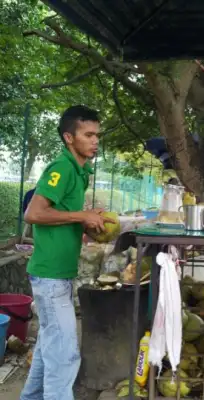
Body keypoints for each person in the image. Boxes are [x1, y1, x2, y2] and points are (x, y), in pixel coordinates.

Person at [20, 105, 114, 400]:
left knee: (50, 347)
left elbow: (61, 214)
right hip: (49, 275)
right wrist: (80, 217)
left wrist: (88, 223)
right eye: (88, 134)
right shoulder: (61, 168)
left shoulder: (80, 171)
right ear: (69, 138)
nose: (95, 140)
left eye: (97, 135)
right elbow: (33, 213)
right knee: (65, 356)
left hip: (58, 274)